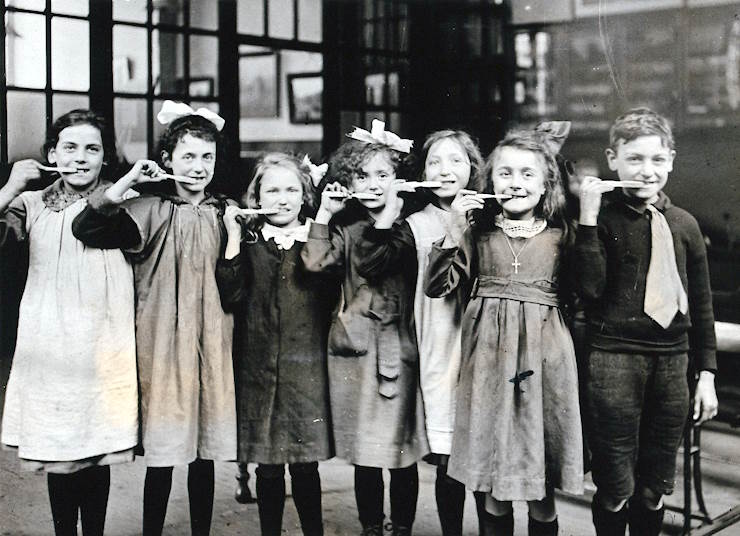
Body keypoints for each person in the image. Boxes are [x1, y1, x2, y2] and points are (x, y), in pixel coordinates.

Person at [72, 101, 237, 536]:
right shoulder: (147, 209)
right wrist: (129, 182)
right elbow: (87, 229)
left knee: (203, 452)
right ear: (166, 161)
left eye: (207, 157)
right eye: (187, 156)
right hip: (164, 344)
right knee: (164, 453)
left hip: (213, 343)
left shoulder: (226, 212)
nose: (198, 167)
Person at [425, 129, 584, 536]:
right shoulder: (478, 233)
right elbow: (437, 286)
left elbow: (585, 294)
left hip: (544, 364)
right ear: (489, 182)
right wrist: (455, 226)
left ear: (547, 183)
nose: (516, 183)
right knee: (493, 481)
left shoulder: (562, 235)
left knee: (541, 486)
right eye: (506, 173)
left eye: (528, 175)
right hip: (489, 362)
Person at [576, 108, 718, 536]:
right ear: (612, 159)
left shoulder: (685, 225)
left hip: (672, 363)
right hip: (613, 360)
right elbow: (590, 289)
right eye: (634, 159)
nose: (646, 170)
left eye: (657, 160)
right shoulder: (600, 219)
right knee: (616, 484)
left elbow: (702, 304)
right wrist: (586, 218)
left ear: (671, 160)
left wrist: (707, 373)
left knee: (654, 485)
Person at [0, 109, 138, 535]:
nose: (80, 158)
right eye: (69, 147)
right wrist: (10, 186)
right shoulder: (30, 204)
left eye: (91, 149)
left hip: (104, 337)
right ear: (50, 154)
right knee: (63, 448)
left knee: (96, 444)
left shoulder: (122, 201)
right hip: (53, 339)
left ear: (105, 158)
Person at [301, 120, 429, 536]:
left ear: (400, 180)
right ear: (347, 179)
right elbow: (315, 263)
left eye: (383, 175)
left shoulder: (408, 228)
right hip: (356, 350)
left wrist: (390, 215)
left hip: (400, 348)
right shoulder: (347, 229)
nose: (372, 184)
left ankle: (403, 527)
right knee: (366, 451)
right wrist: (324, 213)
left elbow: (379, 258)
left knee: (401, 448)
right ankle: (372, 527)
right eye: (362, 175)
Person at [216, 153, 336, 536]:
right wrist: (234, 237)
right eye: (272, 190)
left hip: (306, 367)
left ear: (305, 196)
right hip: (257, 366)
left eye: (291, 190)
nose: (282, 199)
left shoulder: (317, 241)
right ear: (256, 197)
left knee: (304, 463)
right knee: (267, 465)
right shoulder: (250, 243)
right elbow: (230, 294)